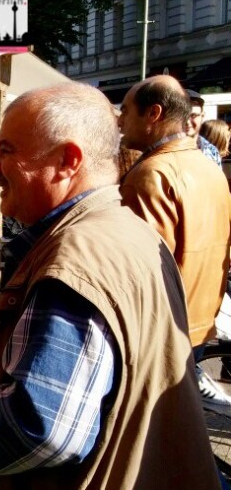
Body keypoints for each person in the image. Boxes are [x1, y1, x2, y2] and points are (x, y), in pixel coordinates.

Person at [0, 82, 219, 489]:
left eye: (7, 150)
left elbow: (37, 428)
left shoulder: (77, 257)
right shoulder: (124, 229)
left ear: (68, 160)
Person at [117, 75, 231, 414]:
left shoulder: (152, 173)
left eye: (126, 110)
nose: (120, 120)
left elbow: (141, 274)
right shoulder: (205, 165)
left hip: (158, 336)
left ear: (153, 114)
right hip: (196, 324)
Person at [187, 89, 222, 165]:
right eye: (182, 116)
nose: (187, 121)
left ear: (202, 116)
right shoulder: (163, 150)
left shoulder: (212, 151)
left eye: (193, 115)